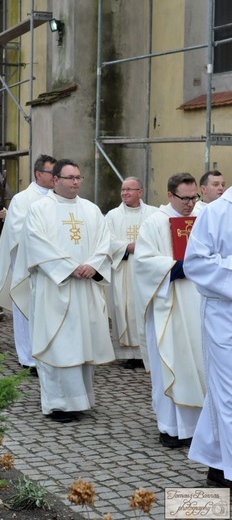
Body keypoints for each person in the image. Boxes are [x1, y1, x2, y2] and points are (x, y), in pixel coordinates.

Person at [10, 159, 115, 423]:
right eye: (69, 178)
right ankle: (58, 404)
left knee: (82, 344)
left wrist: (92, 265)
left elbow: (105, 241)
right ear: (55, 180)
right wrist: (69, 267)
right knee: (59, 345)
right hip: (54, 288)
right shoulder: (39, 209)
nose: (76, 182)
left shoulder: (91, 209)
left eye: (78, 177)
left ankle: (81, 400)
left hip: (85, 288)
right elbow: (36, 243)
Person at [134, 172, 205, 448]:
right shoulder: (154, 223)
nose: (189, 204)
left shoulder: (203, 217)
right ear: (169, 195)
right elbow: (143, 263)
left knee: (198, 365)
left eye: (193, 197)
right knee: (170, 363)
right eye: (184, 198)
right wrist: (180, 267)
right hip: (168, 302)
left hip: (198, 302)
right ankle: (170, 427)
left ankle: (199, 428)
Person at [0, 154, 57, 372]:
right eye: (52, 173)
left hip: (55, 266)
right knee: (27, 311)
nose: (56, 177)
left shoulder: (59, 198)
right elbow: (17, 231)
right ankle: (28, 359)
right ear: (38, 174)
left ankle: (50, 355)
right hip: (29, 267)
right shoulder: (23, 199)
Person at [184, 186, 232, 488]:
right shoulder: (216, 212)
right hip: (224, 316)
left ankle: (216, 462)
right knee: (228, 393)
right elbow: (195, 263)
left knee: (220, 392)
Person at [105, 176, 157, 369]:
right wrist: (127, 246)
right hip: (124, 269)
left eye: (129, 189)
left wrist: (142, 247)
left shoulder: (153, 214)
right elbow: (107, 240)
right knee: (124, 307)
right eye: (123, 189)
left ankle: (147, 351)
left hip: (146, 270)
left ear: (140, 192)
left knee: (145, 308)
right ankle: (130, 354)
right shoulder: (112, 216)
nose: (125, 193)